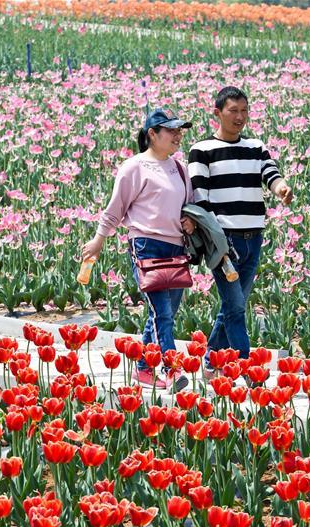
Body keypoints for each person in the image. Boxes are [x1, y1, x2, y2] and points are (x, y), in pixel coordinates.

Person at [82, 108, 195, 390]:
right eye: (172, 131)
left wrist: (190, 220)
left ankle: (143, 369)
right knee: (162, 314)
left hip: (176, 246)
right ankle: (172, 369)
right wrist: (98, 240)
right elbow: (115, 209)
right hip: (145, 244)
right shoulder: (134, 167)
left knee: (163, 313)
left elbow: (190, 204)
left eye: (180, 131)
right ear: (152, 135)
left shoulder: (180, 168)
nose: (178, 136)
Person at [188, 86, 293, 369]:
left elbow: (271, 173)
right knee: (236, 307)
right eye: (233, 111)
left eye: (244, 110)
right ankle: (247, 368)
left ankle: (211, 359)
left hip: (254, 237)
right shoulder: (201, 151)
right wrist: (217, 244)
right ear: (217, 113)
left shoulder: (255, 147)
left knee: (233, 305)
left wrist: (281, 188)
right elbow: (201, 198)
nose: (240, 117)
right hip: (225, 241)